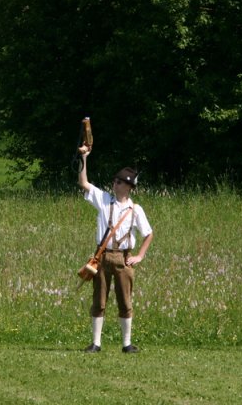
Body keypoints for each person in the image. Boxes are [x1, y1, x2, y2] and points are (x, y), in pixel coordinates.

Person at [78, 150, 153, 353]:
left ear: (128, 187)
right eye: (115, 181)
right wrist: (84, 158)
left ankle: (127, 344)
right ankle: (96, 343)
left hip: (124, 258)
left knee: (125, 301)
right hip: (101, 256)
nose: (115, 184)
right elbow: (84, 183)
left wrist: (140, 256)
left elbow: (148, 234)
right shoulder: (104, 199)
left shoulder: (135, 209)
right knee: (99, 300)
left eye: (120, 182)